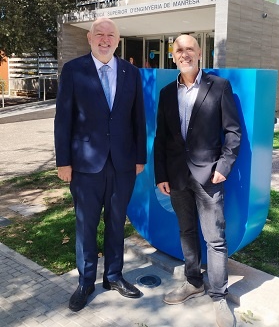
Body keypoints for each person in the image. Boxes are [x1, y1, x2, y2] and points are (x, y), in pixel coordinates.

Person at [54, 17, 147, 312]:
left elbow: (138, 119)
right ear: (90, 39)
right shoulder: (73, 70)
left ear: (118, 41)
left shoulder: (131, 72)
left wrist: (140, 158)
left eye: (110, 35)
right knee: (86, 225)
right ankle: (85, 282)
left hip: (122, 164)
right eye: (99, 34)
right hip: (84, 165)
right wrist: (63, 162)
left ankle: (114, 275)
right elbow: (63, 119)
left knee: (117, 222)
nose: (105, 39)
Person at [154, 35, 241, 327]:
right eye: (179, 49)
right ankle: (194, 282)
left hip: (209, 176)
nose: (184, 53)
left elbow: (232, 131)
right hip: (177, 176)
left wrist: (224, 166)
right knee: (186, 231)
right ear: (173, 55)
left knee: (214, 239)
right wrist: (161, 175)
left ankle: (219, 296)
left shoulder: (219, 86)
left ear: (200, 53)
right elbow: (162, 138)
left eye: (189, 48)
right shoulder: (167, 92)